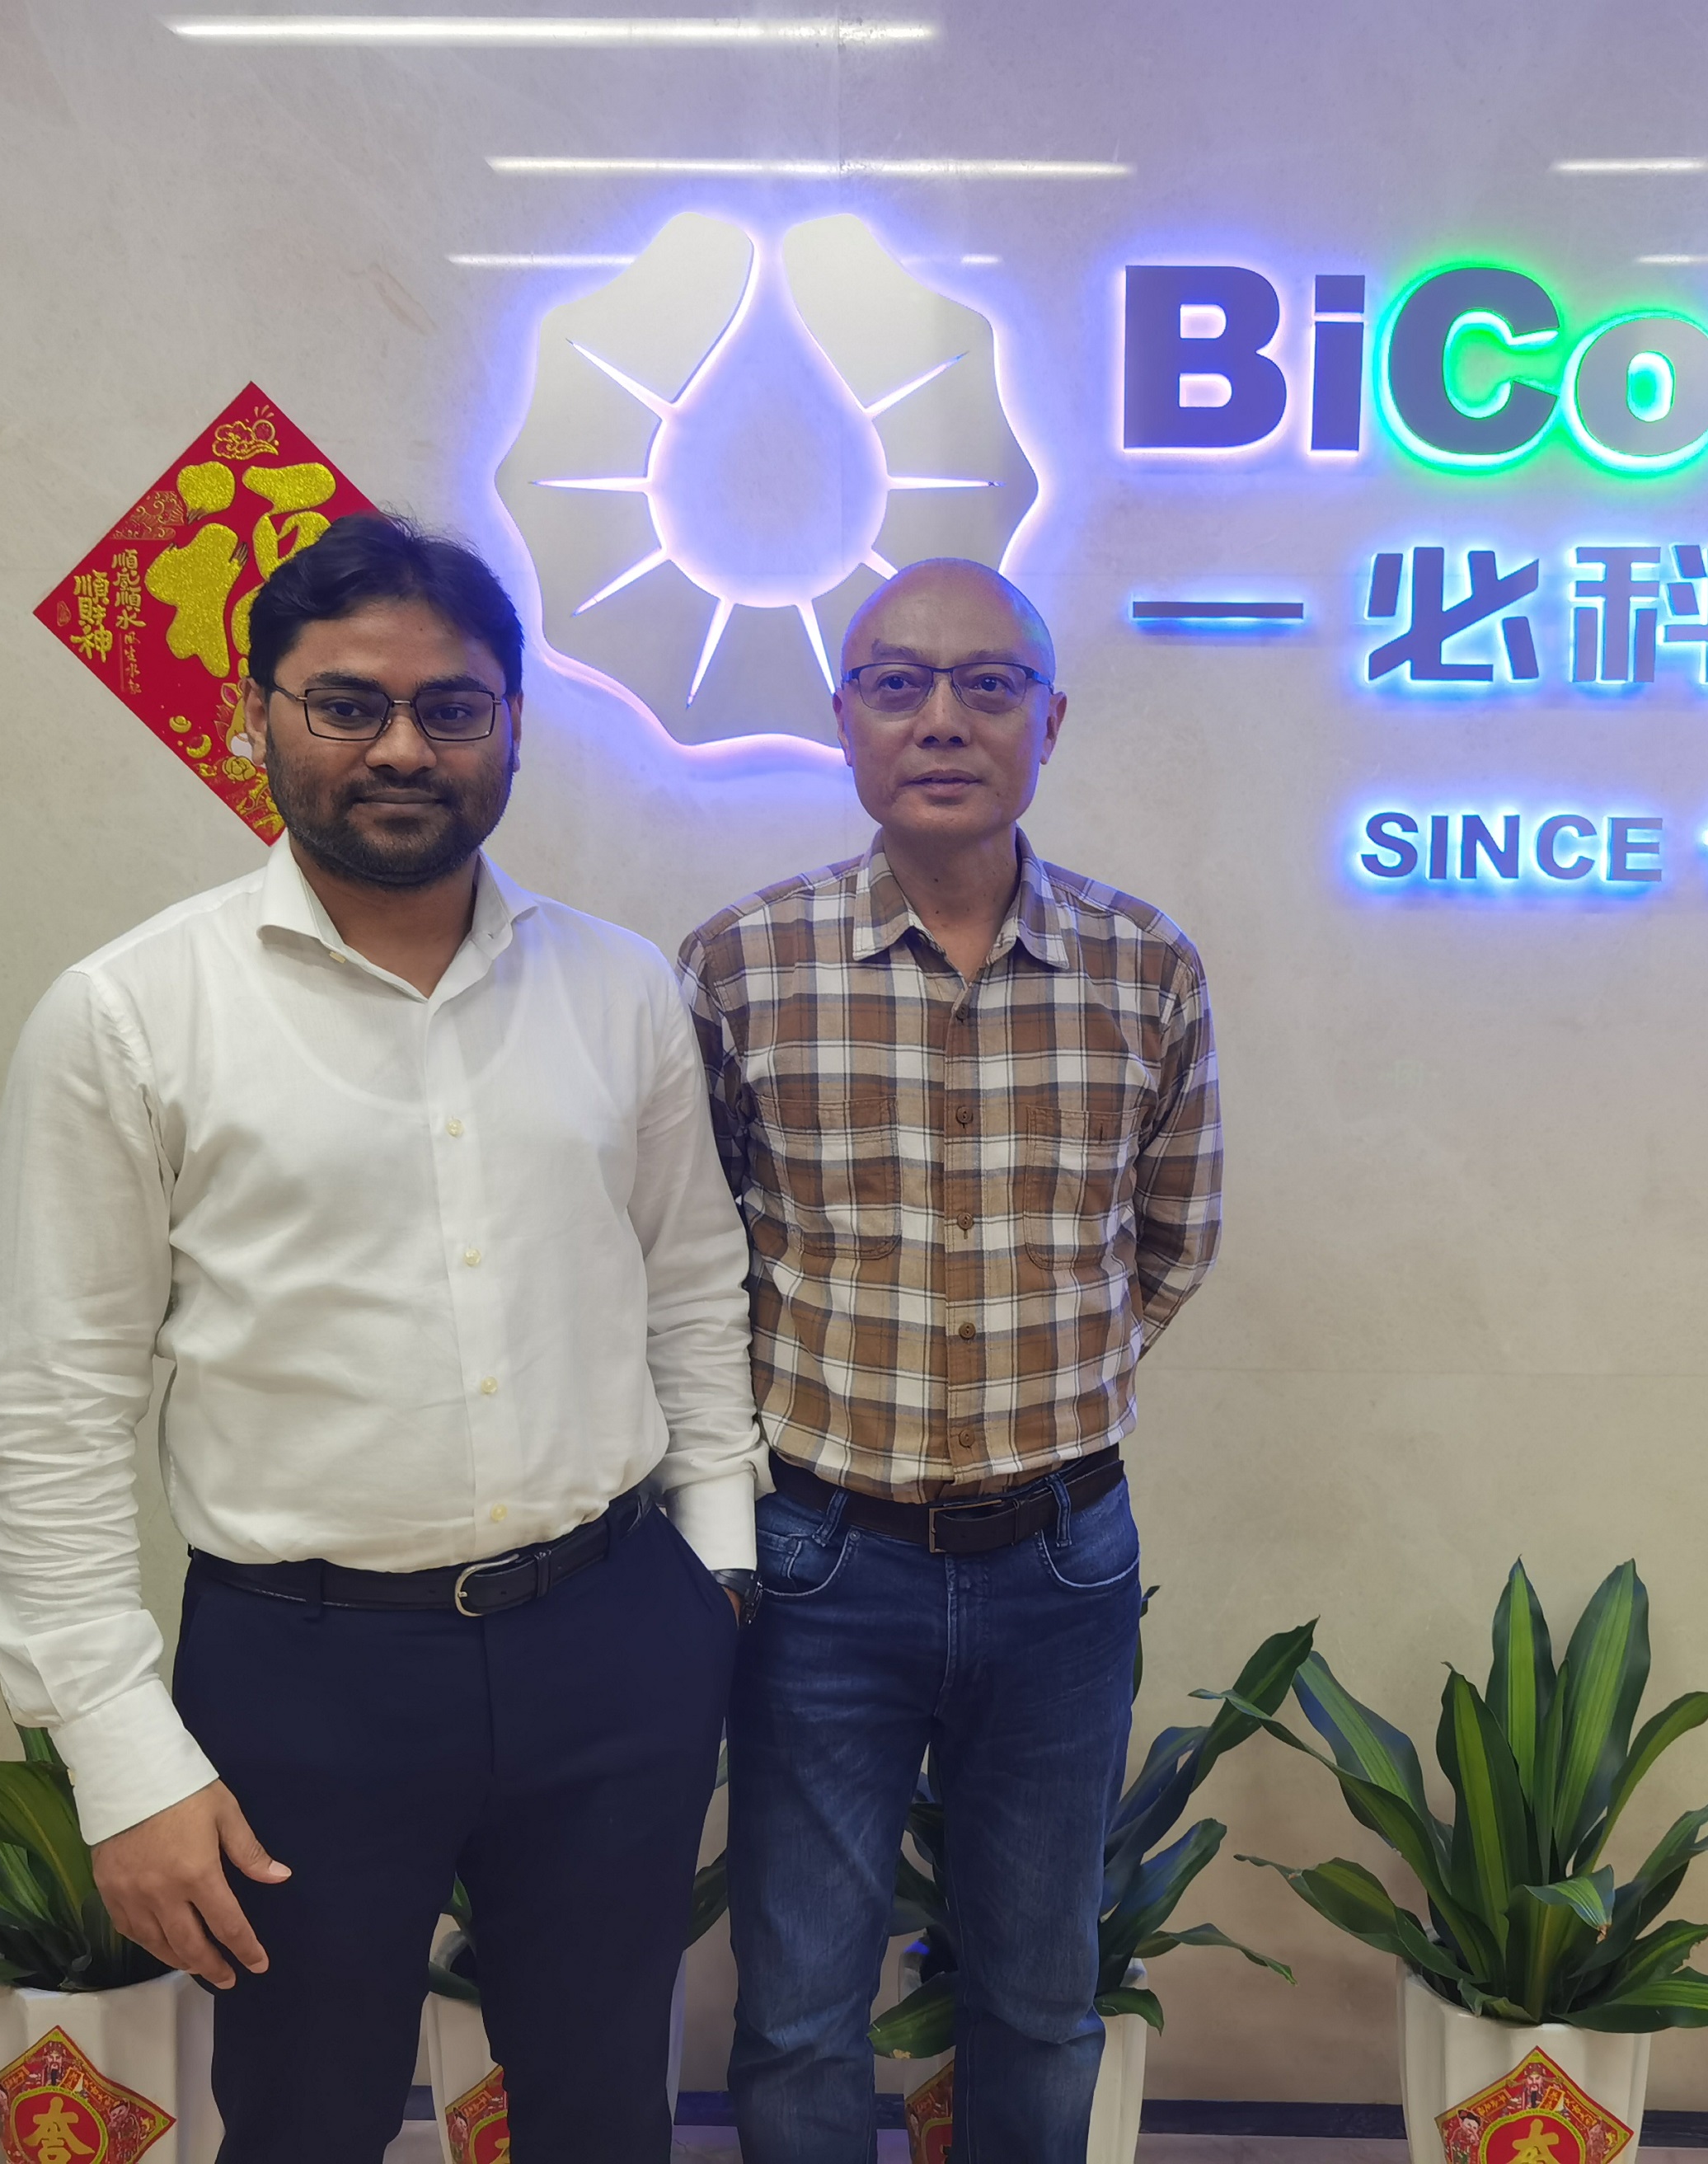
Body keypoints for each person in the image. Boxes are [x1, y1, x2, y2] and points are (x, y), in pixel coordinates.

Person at [0, 513, 759, 2162]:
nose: (402, 746)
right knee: (304, 2121)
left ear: (511, 725)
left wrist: (717, 1576)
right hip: (304, 1673)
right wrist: (119, 1759)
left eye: (449, 706)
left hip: (610, 1639)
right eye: (346, 703)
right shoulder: (129, 1013)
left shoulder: (619, 988)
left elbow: (690, 1286)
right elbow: (53, 1410)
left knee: (607, 2112)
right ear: (256, 715)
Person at [678, 558, 1223, 2164]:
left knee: (1041, 1993)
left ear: (1049, 722)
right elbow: (691, 1259)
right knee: (798, 2005)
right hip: (819, 1560)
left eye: (989, 684)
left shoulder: (1145, 965)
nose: (942, 718)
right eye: (898, 681)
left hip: (1063, 1560)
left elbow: (1172, 1235)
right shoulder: (739, 964)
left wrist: (1048, 1386)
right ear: (843, 716)